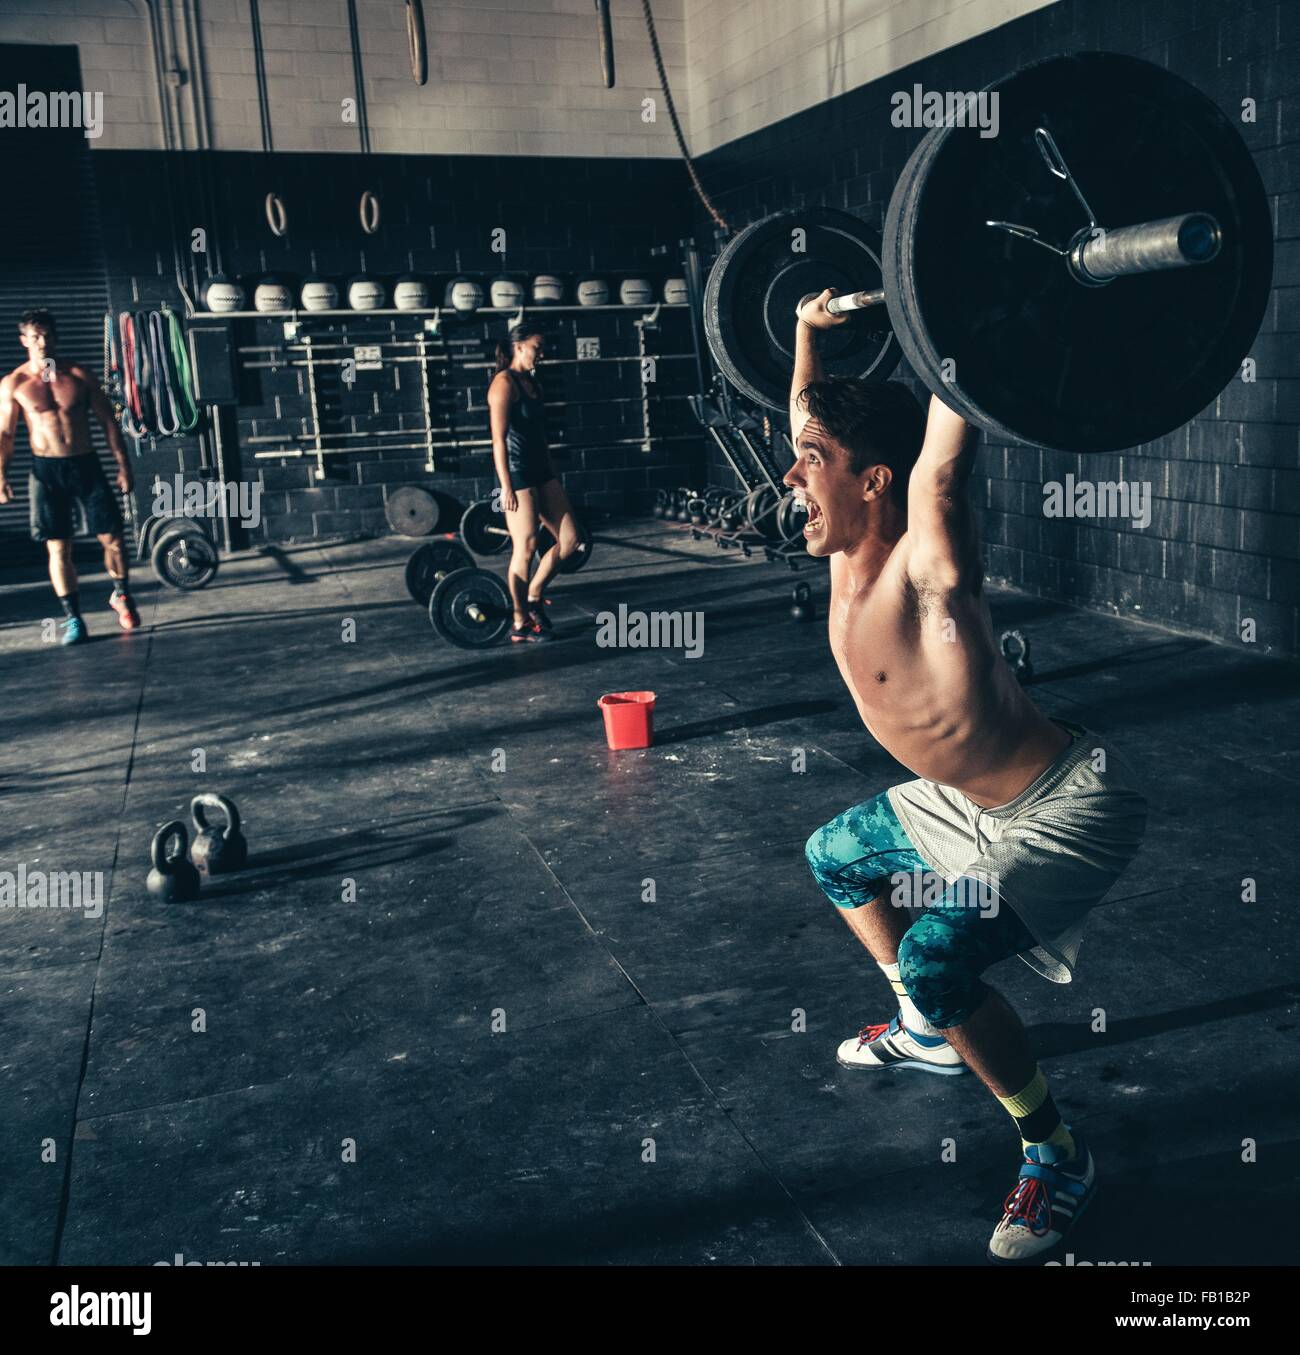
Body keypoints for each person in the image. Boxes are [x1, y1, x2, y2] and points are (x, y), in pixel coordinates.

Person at [790, 289, 1147, 1265]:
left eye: (811, 463)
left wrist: (951, 298)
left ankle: (1055, 1148)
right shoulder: (842, 548)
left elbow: (940, 474)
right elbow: (806, 422)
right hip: (960, 803)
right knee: (835, 857)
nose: (790, 474)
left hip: (1062, 809)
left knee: (941, 954)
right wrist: (808, 329)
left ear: (873, 480)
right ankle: (923, 1027)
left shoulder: (922, 560)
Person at [0, 308, 139, 643]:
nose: (42, 342)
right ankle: (74, 618)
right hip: (46, 471)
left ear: (56, 336)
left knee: (114, 539)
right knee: (58, 547)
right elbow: (5, 434)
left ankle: (120, 593)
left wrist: (123, 465)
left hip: (86, 464)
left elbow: (109, 424)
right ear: (24, 341)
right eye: (35, 337)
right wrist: (0, 475)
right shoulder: (14, 383)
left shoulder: (80, 376)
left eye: (47, 335)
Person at [486, 325, 582, 642]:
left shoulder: (533, 383)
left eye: (542, 348)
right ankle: (520, 622)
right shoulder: (503, 384)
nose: (541, 353)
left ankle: (534, 594)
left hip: (542, 472)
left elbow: (539, 436)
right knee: (525, 546)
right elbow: (498, 441)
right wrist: (506, 487)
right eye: (536, 347)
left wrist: (552, 472)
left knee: (570, 540)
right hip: (517, 474)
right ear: (518, 346)